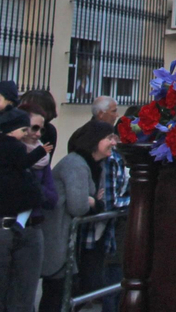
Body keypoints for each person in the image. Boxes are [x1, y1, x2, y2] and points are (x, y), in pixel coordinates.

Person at [0, 110, 52, 312]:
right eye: (31, 128)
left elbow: (52, 197)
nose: (36, 134)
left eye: (41, 129)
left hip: (30, 230)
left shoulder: (40, 160)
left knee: (22, 303)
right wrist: (15, 190)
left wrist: (31, 190)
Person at [38, 121, 115, 312]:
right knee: (56, 293)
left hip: (67, 240)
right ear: (95, 140)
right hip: (57, 238)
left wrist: (92, 201)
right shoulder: (76, 164)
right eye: (109, 138)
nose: (114, 142)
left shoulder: (93, 165)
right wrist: (94, 203)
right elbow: (79, 206)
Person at [85, 99, 128, 312]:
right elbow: (112, 201)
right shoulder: (110, 160)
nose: (113, 142)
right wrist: (136, 201)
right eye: (109, 138)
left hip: (110, 230)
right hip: (110, 231)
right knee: (111, 280)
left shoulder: (113, 157)